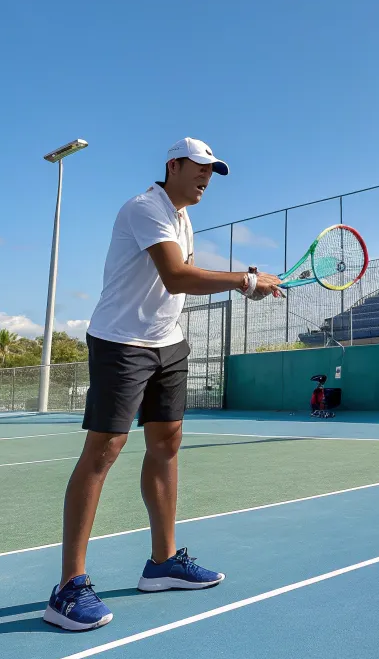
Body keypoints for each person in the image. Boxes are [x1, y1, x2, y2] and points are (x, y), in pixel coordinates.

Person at [43, 138, 284, 632]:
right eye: (199, 169)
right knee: (105, 449)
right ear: (172, 166)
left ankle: (163, 562)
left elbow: (180, 282)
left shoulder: (182, 216)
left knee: (167, 444)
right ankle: (68, 587)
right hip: (121, 342)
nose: (206, 179)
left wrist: (249, 284)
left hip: (167, 343)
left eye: (212, 173)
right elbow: (175, 276)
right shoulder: (144, 208)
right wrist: (247, 280)